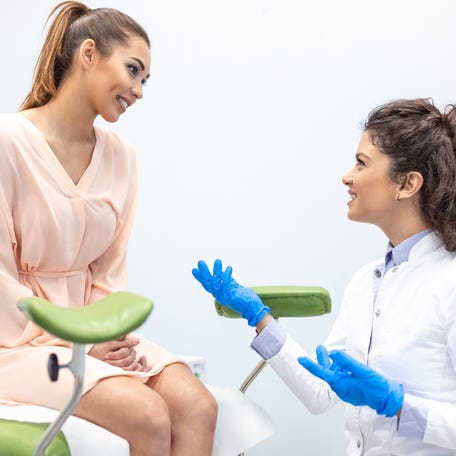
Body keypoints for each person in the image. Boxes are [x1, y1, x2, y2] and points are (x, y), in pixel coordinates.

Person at [0, 2, 217, 455]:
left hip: (91, 334)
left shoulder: (122, 156)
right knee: (146, 413)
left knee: (198, 406)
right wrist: (77, 339)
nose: (138, 90)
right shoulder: (8, 142)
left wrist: (102, 335)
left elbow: (109, 270)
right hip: (15, 343)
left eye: (145, 80)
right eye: (133, 70)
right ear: (89, 54)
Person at [193, 98, 456, 455]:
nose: (347, 176)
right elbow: (321, 393)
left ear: (407, 184)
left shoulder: (449, 282)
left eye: (361, 163)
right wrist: (260, 318)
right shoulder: (368, 281)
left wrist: (398, 406)